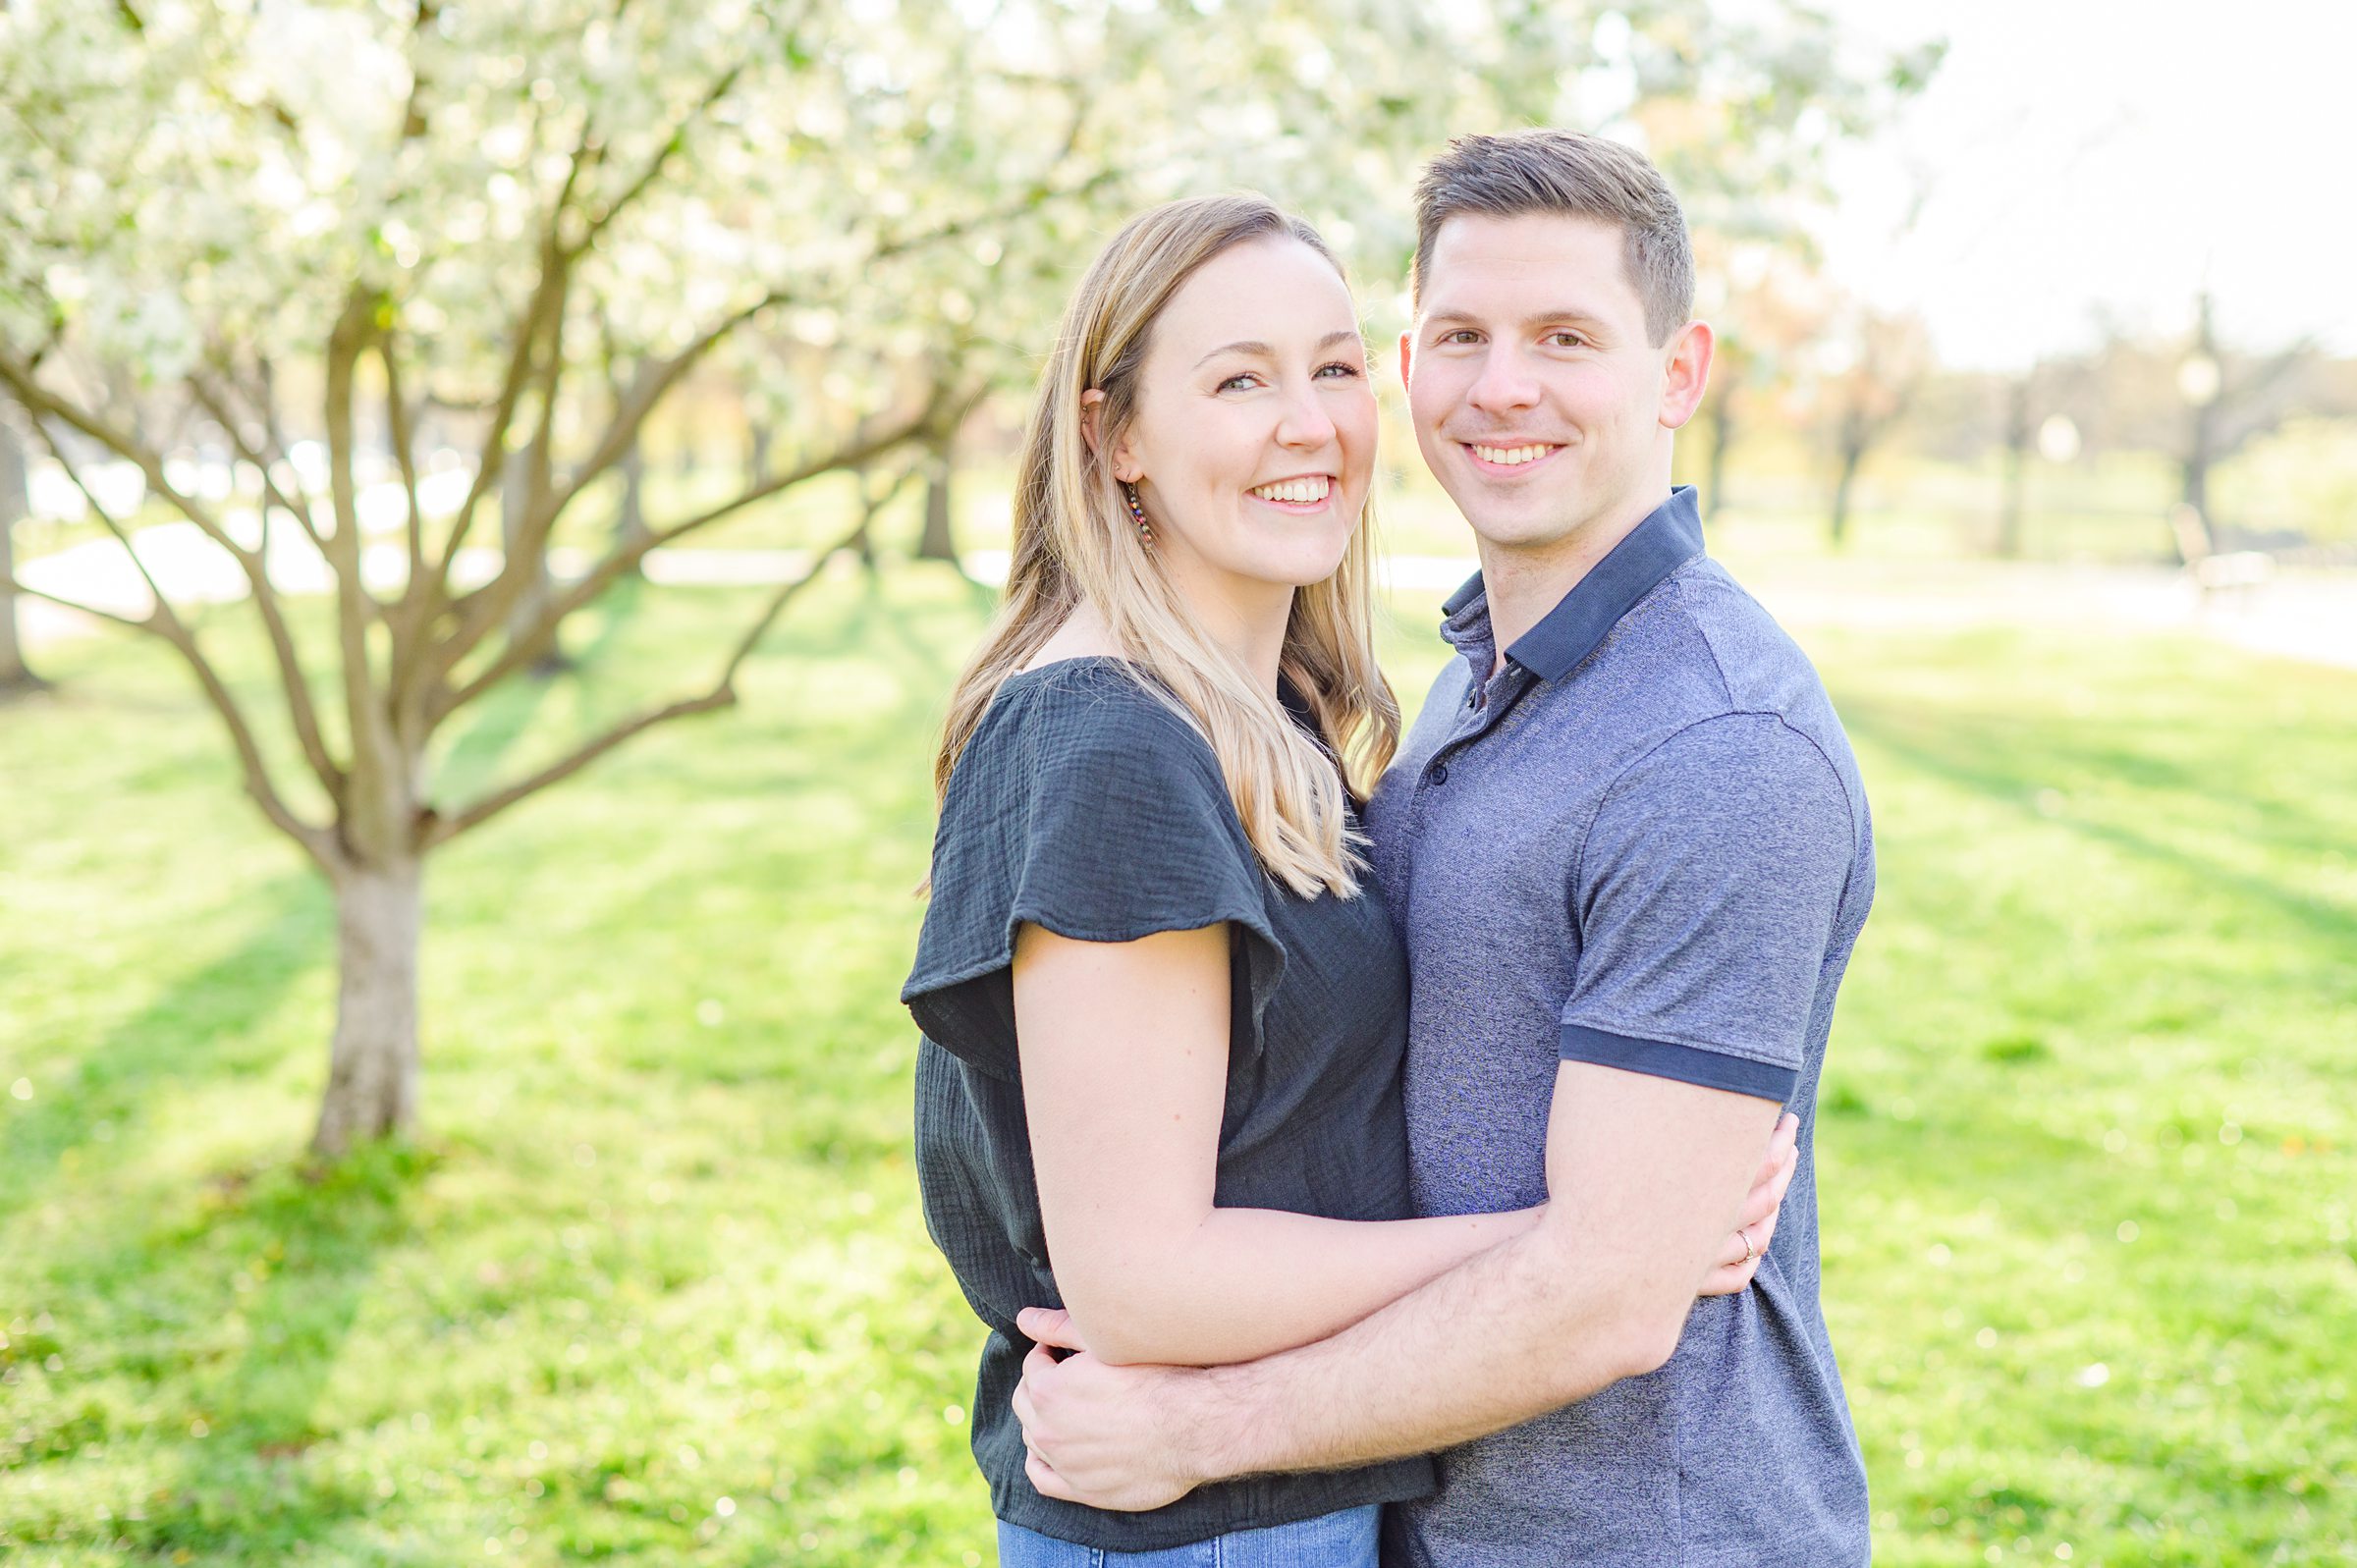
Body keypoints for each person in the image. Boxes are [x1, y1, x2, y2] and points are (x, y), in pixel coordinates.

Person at [1011, 133, 1879, 1567]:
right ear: (1411, 368)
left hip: (1640, 1533)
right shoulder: (1470, 685)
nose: (1504, 387)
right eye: (1461, 336)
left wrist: (1202, 1426)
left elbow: (1609, 1298)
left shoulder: (1719, 746)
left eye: (1566, 337)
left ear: (1679, 373)